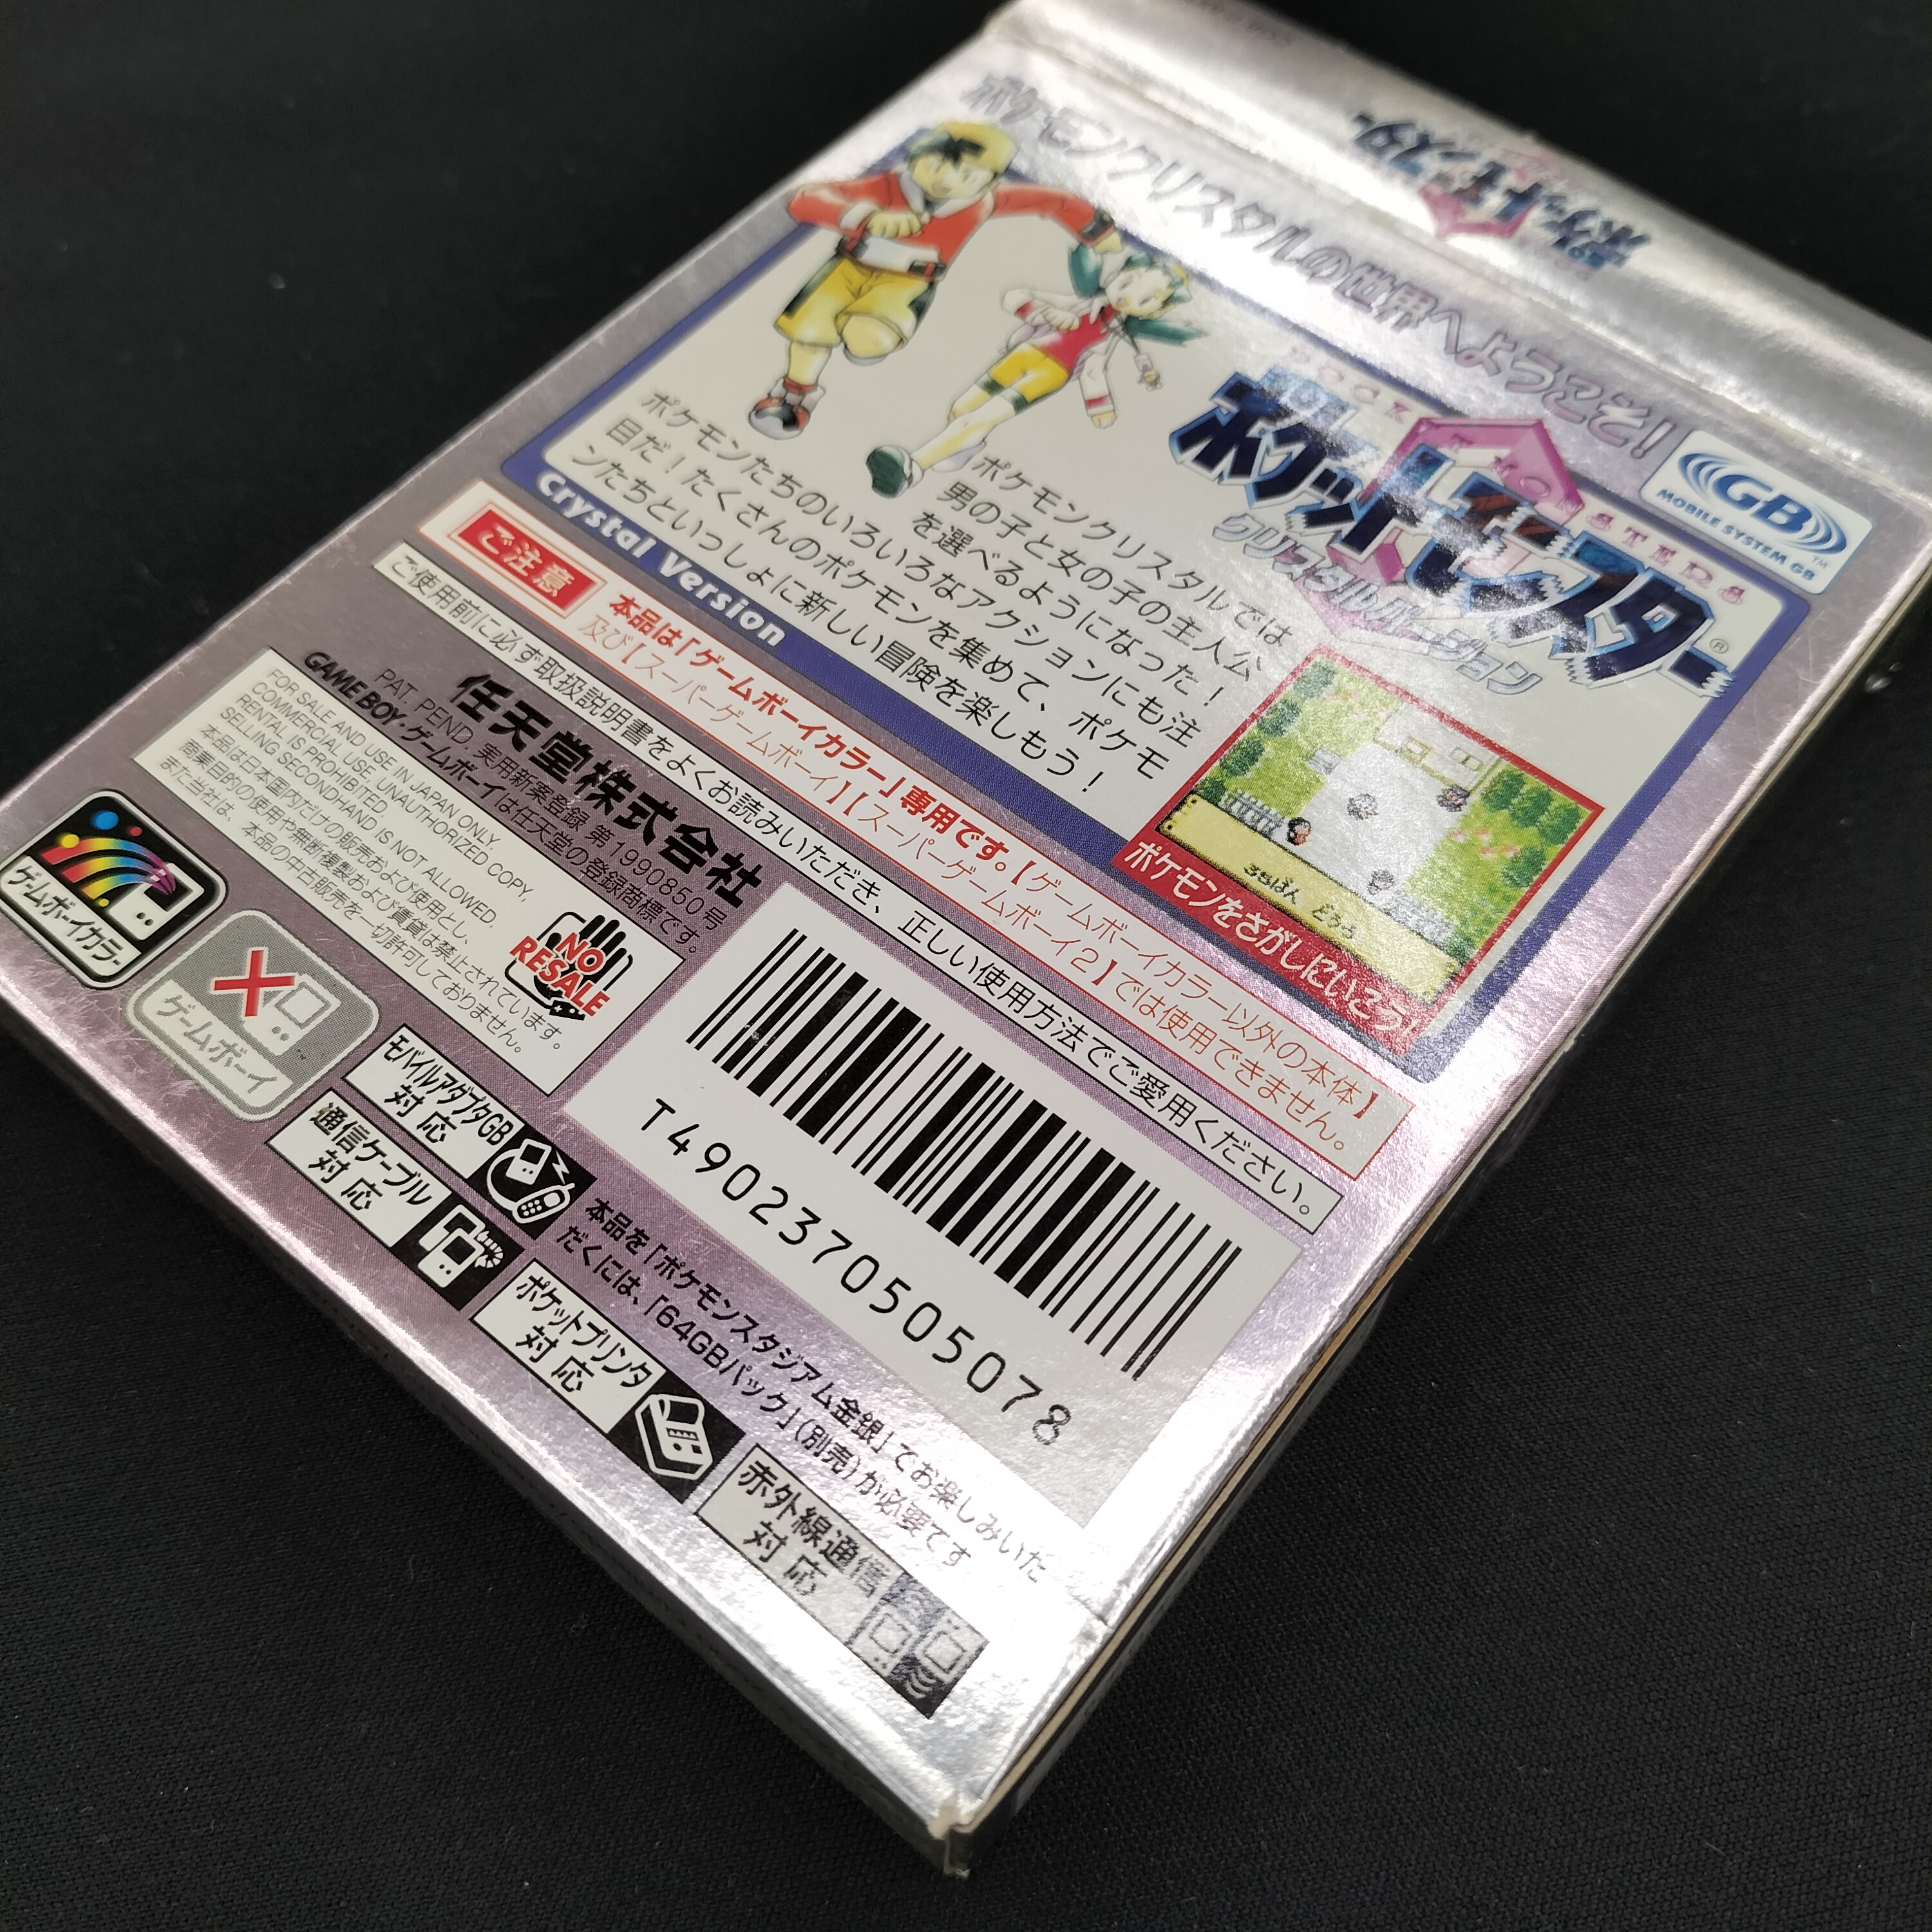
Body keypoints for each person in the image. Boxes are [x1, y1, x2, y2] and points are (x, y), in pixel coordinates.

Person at [750, 122, 1120, 439]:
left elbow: (1054, 200)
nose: (945, 180)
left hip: (907, 284)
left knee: (867, 338)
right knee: (809, 334)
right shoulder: (887, 186)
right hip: (846, 267)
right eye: (936, 165)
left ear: (991, 180)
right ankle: (793, 398)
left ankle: (865, 346)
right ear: (917, 157)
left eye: (968, 175)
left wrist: (1098, 232)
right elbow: (805, 199)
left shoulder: (985, 201)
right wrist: (865, 216)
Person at [864, 247, 1201, 498]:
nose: (1128, 296)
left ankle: (914, 467)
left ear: (1155, 310)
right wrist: (1046, 313)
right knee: (961, 409)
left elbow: (1093, 369)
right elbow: (1016, 297)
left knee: (981, 419)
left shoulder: (1110, 332)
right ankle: (961, 448)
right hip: (1023, 354)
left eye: (1147, 298)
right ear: (1116, 275)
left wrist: (1100, 406)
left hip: (1050, 373)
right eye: (1128, 282)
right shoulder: (1078, 304)